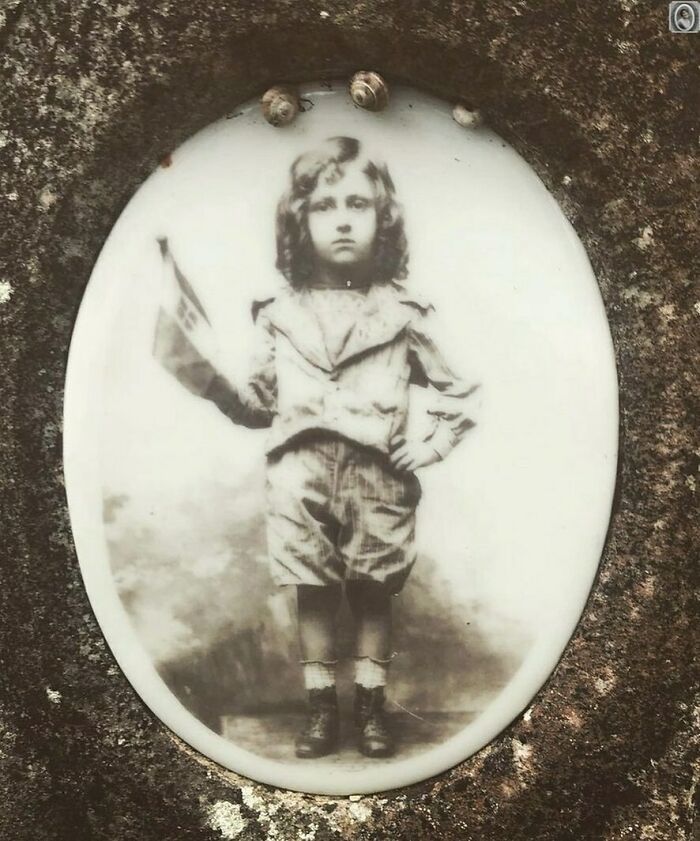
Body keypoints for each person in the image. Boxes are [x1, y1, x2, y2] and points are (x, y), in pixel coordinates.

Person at [156, 135, 477, 759]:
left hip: (377, 474)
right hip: (298, 474)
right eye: (325, 205)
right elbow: (257, 406)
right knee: (313, 589)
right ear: (299, 222)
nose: (342, 218)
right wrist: (207, 381)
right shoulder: (278, 313)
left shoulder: (402, 312)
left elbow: (457, 389)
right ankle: (322, 711)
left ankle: (372, 710)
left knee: (373, 589)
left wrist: (434, 446)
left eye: (357, 203)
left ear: (382, 219)